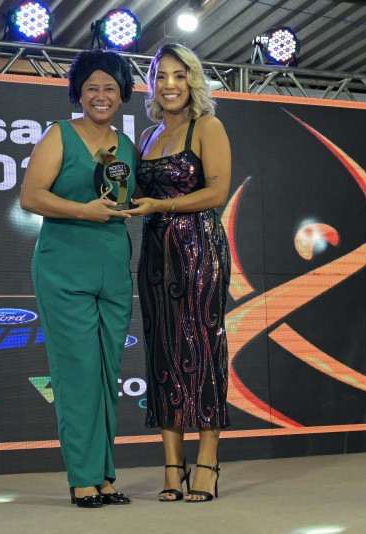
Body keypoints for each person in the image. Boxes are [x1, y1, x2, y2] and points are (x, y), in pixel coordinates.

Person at [19, 48, 136, 509]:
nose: (100, 96)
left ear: (122, 94)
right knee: (78, 374)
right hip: (64, 267)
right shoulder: (59, 135)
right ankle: (83, 478)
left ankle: (105, 476)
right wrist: (84, 211)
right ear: (78, 93)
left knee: (107, 374)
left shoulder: (128, 146)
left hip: (114, 270)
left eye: (109, 87)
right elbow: (31, 197)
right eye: (91, 88)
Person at [126, 43, 232, 503]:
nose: (170, 84)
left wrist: (161, 205)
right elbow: (133, 193)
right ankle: (173, 465)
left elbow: (216, 193)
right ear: (151, 84)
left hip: (200, 249)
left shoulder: (207, 126)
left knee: (204, 348)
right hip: (155, 254)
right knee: (162, 353)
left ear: (192, 80)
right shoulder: (146, 137)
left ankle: (207, 461)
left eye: (179, 75)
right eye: (161, 76)